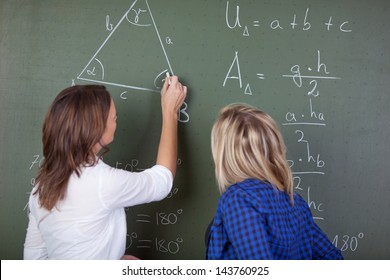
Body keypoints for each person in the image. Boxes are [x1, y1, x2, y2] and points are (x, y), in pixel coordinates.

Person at [24, 76, 187, 259]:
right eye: (113, 118)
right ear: (97, 128)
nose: (116, 119)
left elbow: (33, 258)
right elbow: (162, 181)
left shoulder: (41, 187)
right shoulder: (102, 182)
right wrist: (170, 112)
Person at [205, 103, 343, 260]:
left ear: (224, 153)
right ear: (274, 147)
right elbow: (332, 257)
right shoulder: (295, 201)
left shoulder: (238, 199)